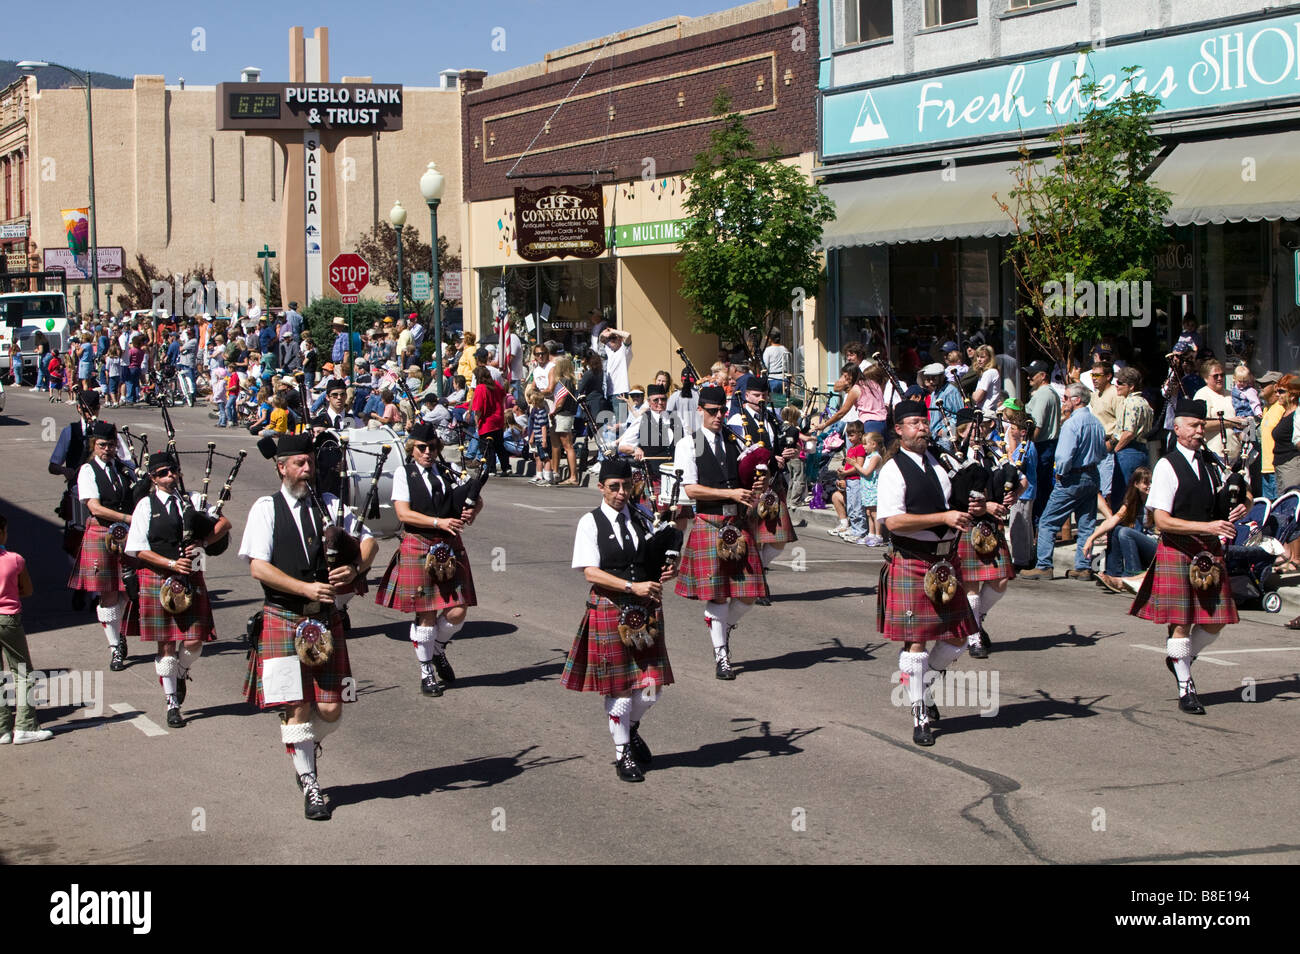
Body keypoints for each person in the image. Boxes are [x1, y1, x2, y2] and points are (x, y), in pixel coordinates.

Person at [240, 433, 371, 821]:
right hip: (283, 615)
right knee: (297, 705)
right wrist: (303, 587)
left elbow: (368, 542)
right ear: (281, 467)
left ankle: (303, 749)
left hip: (324, 619)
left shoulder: (329, 506)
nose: (307, 470)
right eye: (299, 463)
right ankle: (310, 782)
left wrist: (356, 566)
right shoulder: (266, 508)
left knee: (330, 708)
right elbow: (257, 567)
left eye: (310, 463)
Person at [562, 458, 676, 783]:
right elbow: (590, 572)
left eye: (626, 486)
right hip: (610, 608)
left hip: (645, 608)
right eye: (614, 487)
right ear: (601, 487)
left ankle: (630, 727)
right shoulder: (590, 522)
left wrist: (667, 571)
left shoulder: (641, 517)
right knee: (620, 691)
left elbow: (653, 559)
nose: (621, 493)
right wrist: (631, 586)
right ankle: (622, 751)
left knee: (653, 688)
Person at [875, 399, 980, 746]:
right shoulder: (892, 470)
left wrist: (972, 507)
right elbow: (893, 521)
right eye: (915, 423)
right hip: (912, 558)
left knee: (958, 637)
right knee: (917, 641)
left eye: (924, 421)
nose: (922, 427)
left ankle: (925, 682)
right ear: (900, 430)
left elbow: (952, 506)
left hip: (946, 561)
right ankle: (919, 710)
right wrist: (943, 519)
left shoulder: (938, 463)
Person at [1128, 399, 1243, 715]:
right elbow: (1161, 520)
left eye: (1201, 425)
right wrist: (1206, 525)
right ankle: (1185, 687)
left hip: (1208, 551)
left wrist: (1236, 508)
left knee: (1218, 621)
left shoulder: (1210, 463)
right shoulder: (1167, 465)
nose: (1199, 430)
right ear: (1177, 428)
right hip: (1178, 549)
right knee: (1181, 623)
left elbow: (1219, 506)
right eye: (1193, 425)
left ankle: (1181, 657)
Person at [121, 452, 230, 728]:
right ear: (153, 478)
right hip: (158, 578)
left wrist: (203, 543)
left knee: (195, 641)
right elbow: (138, 549)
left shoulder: (192, 500)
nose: (169, 476)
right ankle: (172, 703)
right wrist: (171, 562)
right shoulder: (145, 506)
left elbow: (224, 524)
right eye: (162, 473)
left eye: (172, 471)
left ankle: (181, 671)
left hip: (191, 577)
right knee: (166, 644)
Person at [375, 423, 482, 698]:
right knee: (426, 614)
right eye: (422, 448)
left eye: (432, 447)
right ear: (412, 448)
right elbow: (403, 513)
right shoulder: (404, 473)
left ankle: (436, 648)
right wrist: (438, 521)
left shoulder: (446, 471)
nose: (428, 452)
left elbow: (475, 497)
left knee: (457, 611)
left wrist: (472, 513)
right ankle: (426, 671)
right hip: (419, 544)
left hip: (448, 544)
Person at [672, 385, 768, 679]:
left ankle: (721, 626)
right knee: (716, 597)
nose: (718, 416)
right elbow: (691, 488)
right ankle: (721, 654)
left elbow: (746, 475)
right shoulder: (690, 444)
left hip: (737, 524)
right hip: (709, 521)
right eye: (712, 411)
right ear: (700, 410)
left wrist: (757, 486)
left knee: (750, 593)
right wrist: (728, 495)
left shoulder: (734, 440)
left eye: (722, 411)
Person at [951, 408, 1019, 659]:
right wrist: (985, 505)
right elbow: (955, 491)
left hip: (990, 525)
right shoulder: (954, 454)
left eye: (983, 427)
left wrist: (1013, 494)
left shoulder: (993, 453)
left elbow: (1019, 479)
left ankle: (974, 617)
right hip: (967, 522)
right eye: (974, 427)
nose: (980, 432)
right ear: (962, 430)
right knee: (970, 583)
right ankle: (974, 635)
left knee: (1000, 581)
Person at [1022, 383, 1107, 581]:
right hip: (1092, 474)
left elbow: (1064, 455)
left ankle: (1043, 565)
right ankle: (1083, 566)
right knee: (1086, 523)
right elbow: (1103, 452)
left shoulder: (1072, 424)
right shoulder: (1096, 422)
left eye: (1067, 398)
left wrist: (1061, 472)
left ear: (1077, 400)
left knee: (1048, 521)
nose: (1064, 401)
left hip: (1073, 476)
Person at [70, 421, 137, 671]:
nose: (107, 449)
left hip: (127, 535)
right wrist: (126, 518)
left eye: (111, 445)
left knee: (128, 590)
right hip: (101, 532)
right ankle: (115, 647)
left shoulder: (123, 468)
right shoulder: (87, 470)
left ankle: (117, 630)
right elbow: (94, 507)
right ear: (93, 445)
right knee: (109, 592)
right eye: (102, 445)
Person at [729, 375, 799, 592]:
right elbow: (742, 454)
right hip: (751, 483)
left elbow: (777, 446)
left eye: (764, 396)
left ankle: (758, 570)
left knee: (778, 539)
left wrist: (789, 453)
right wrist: (770, 459)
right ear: (746, 395)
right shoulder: (736, 420)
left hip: (774, 482)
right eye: (756, 395)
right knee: (755, 537)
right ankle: (758, 582)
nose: (761, 399)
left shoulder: (771, 418)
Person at [0, 513, 53, 744]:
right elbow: (27, 590)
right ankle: (25, 726)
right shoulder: (14, 560)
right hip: (8, 619)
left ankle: (2, 728)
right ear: (2, 532)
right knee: (23, 672)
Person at [1087, 466, 1156, 593]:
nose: (1150, 486)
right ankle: (1114, 574)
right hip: (1143, 546)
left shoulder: (1157, 501)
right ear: (1136, 484)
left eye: (1152, 482)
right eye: (1146, 483)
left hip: (1156, 547)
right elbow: (1112, 520)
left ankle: (1132, 576)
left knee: (1125, 532)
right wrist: (1091, 538)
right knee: (1116, 529)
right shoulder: (1133, 502)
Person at [1111, 366, 1154, 511]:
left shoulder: (1130, 402)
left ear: (1131, 386)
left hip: (1129, 451)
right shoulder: (1145, 402)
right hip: (1142, 451)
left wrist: (1116, 450)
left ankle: (1120, 531)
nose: (1116, 385)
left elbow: (1129, 432)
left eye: (1120, 382)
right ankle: (1137, 529)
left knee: (1123, 495)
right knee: (1139, 494)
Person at [1002, 409, 1039, 570]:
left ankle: (1021, 560)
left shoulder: (1026, 449)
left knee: (1018, 526)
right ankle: (1028, 554)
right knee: (1025, 525)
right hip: (1028, 492)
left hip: (1024, 492)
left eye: (1014, 428)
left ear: (1023, 432)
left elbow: (1017, 467)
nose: (1011, 431)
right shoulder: (1027, 447)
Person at [1025, 360, 1060, 522]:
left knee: (1039, 489)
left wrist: (1027, 446)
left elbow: (1037, 424)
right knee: (1043, 487)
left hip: (1041, 446)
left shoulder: (1044, 394)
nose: (1028, 378)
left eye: (1032, 374)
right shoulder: (1049, 393)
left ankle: (1039, 525)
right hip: (1047, 446)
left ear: (1043, 376)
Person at [1194, 359, 1245, 462]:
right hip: (1215, 455)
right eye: (1215, 376)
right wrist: (1230, 422)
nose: (1220, 378)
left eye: (1222, 375)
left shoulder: (1231, 394)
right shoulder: (1202, 395)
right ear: (1205, 378)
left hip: (1237, 455)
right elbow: (1201, 424)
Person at [602, 329, 633, 425]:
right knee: (612, 424)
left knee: (622, 422)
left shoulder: (624, 351)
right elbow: (601, 339)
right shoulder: (610, 352)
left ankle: (623, 440)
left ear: (620, 340)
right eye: (610, 338)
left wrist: (612, 330)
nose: (611, 340)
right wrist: (606, 333)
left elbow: (628, 335)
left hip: (620, 393)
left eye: (614, 338)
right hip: (609, 393)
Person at [762, 329, 792, 399]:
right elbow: (788, 364)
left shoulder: (768, 350)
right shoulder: (784, 349)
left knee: (774, 402)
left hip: (773, 379)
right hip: (784, 379)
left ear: (770, 339)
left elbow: (766, 366)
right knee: (784, 401)